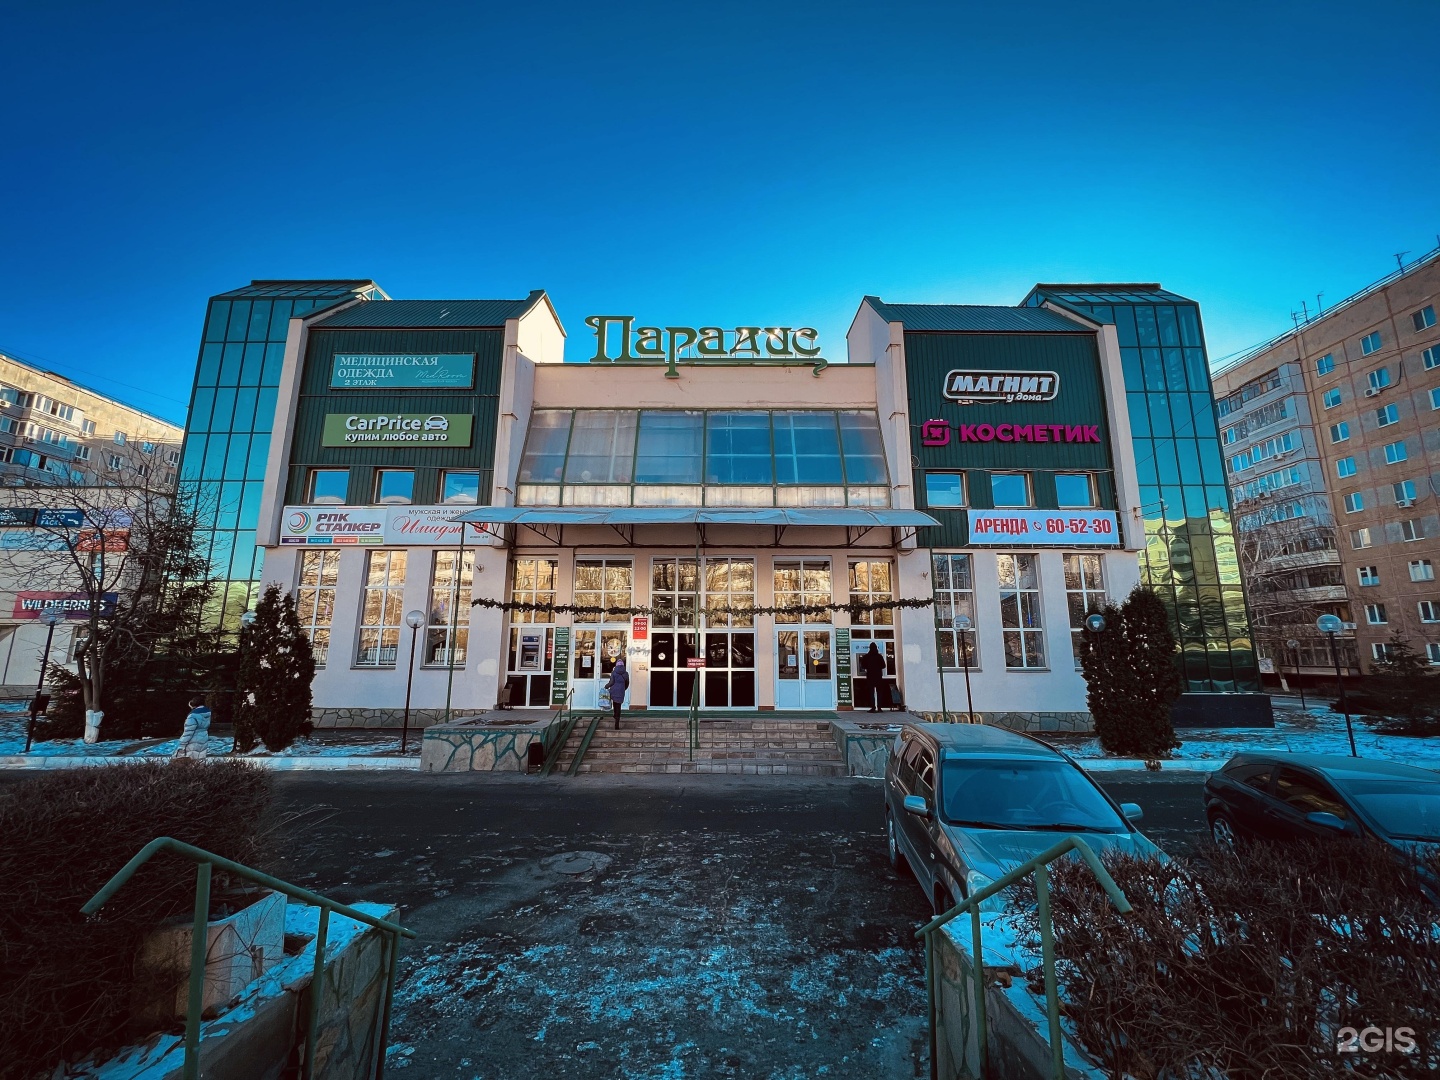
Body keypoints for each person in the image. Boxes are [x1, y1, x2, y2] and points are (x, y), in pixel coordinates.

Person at [174, 696, 211, 760]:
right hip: (204, 738)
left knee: (189, 761)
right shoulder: (207, 712)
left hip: (193, 741)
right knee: (200, 760)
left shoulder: (192, 715)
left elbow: (188, 733)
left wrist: (181, 745)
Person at [860, 643, 887, 713]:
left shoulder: (866, 657)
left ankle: (873, 707)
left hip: (870, 676)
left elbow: (863, 666)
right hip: (878, 676)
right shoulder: (879, 656)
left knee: (871, 692)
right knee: (879, 692)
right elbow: (883, 666)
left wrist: (869, 667)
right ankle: (879, 707)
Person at [607, 655, 629, 729]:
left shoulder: (614, 672)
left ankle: (615, 714)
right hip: (621, 691)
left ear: (616, 665)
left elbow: (611, 682)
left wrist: (606, 686)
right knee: (619, 705)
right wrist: (623, 688)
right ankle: (617, 721)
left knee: (615, 703)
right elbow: (627, 683)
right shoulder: (626, 673)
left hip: (614, 690)